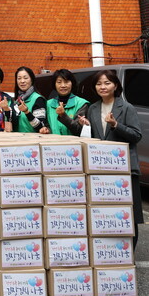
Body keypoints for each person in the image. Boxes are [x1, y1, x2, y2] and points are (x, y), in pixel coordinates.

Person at [78, 70, 143, 248]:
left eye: (107, 83)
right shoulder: (93, 108)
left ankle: (129, 254)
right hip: (102, 170)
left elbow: (136, 135)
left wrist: (116, 125)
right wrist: (86, 127)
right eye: (99, 84)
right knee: (108, 214)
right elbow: (95, 138)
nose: (103, 87)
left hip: (125, 169)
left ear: (115, 85)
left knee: (129, 216)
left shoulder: (126, 107)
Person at [41, 69, 89, 136]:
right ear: (54, 84)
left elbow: (80, 130)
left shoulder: (81, 103)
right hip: (53, 142)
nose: (63, 85)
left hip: (74, 142)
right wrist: (46, 130)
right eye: (59, 82)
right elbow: (48, 125)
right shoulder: (49, 104)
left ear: (72, 83)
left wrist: (63, 116)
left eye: (66, 82)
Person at [13, 66, 46, 133]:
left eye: (25, 78)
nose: (22, 81)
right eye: (19, 78)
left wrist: (27, 112)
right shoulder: (17, 100)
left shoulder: (38, 99)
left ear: (31, 80)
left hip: (33, 139)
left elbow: (41, 127)